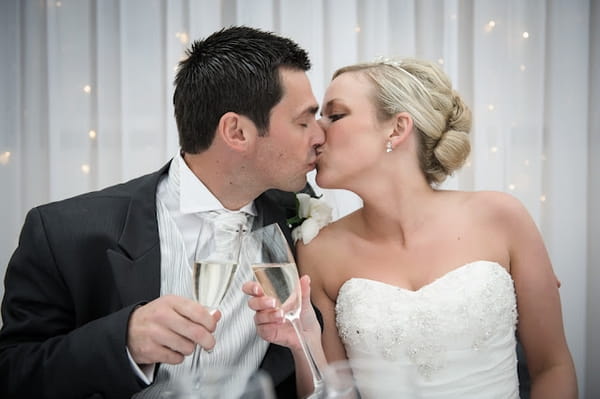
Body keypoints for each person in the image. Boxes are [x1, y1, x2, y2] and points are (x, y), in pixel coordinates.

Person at [0, 26, 324, 399]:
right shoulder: (63, 233)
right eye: (303, 122)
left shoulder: (300, 221)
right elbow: (13, 373)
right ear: (236, 132)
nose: (319, 136)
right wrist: (123, 342)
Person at [244, 57, 578, 398]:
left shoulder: (501, 217)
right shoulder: (318, 252)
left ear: (398, 128)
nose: (316, 132)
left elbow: (553, 366)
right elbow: (333, 392)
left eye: (335, 115)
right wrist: (304, 343)